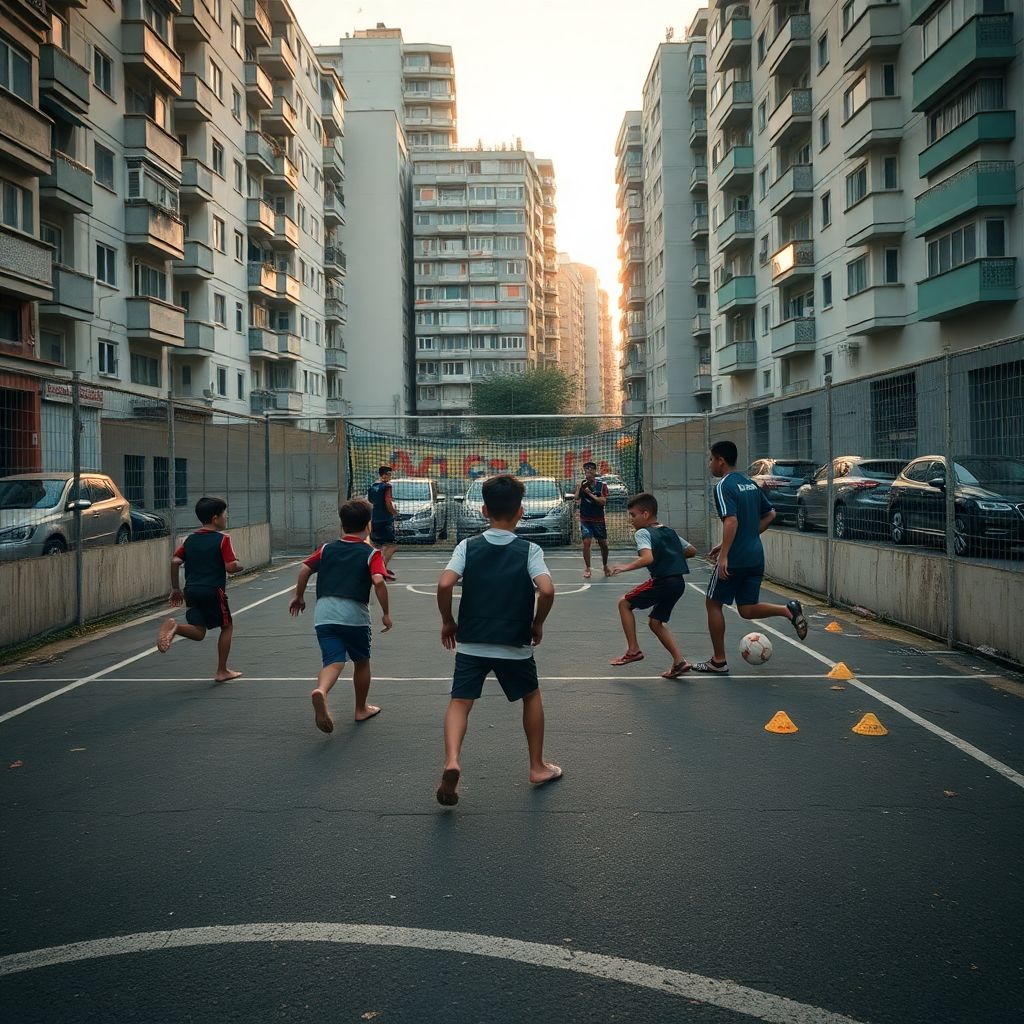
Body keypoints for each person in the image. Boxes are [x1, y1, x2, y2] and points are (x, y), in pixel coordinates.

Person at [435, 474, 561, 806]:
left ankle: (451, 760)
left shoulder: (467, 546)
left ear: (482, 510)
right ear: (520, 511)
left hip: (472, 640)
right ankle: (536, 766)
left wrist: (449, 621)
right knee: (531, 697)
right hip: (514, 643)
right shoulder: (529, 549)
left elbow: (445, 584)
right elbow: (546, 590)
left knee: (460, 701)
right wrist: (538, 623)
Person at [697, 440, 808, 674]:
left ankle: (718, 661)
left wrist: (725, 555)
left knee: (712, 603)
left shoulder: (723, 486)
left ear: (721, 460)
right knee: (747, 609)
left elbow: (731, 520)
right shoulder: (749, 483)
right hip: (755, 556)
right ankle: (789, 611)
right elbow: (770, 514)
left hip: (736, 558)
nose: (710, 464)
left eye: (710, 459)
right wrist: (742, 537)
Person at [289, 498, 392, 734]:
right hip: (354, 615)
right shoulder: (372, 553)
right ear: (369, 525)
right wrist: (386, 613)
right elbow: (378, 581)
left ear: (342, 524)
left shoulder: (326, 548)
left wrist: (299, 596)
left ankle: (322, 691)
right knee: (361, 661)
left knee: (333, 660)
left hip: (324, 613)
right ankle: (360, 708)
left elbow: (305, 568)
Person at [609, 492, 697, 679]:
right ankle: (679, 662)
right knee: (656, 623)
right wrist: (671, 557)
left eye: (633, 515)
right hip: (678, 584)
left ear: (646, 514)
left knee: (624, 603)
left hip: (663, 582)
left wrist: (625, 567)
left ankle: (633, 650)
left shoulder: (643, 532)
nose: (630, 520)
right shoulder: (670, 531)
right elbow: (691, 550)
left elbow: (647, 558)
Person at [157, 496, 244, 681]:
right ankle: (222, 670)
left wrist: (175, 589)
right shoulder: (223, 539)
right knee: (227, 626)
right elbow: (230, 567)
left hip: (192, 591)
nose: (226, 517)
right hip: (213, 590)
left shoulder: (190, 540)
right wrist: (239, 565)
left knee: (199, 631)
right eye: (225, 514)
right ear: (215, 518)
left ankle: (175, 627)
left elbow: (175, 562)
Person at [575, 461, 610, 579]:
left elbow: (602, 502)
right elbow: (576, 498)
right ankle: (588, 568)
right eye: (586, 471)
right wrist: (579, 488)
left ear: (595, 472)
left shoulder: (602, 485)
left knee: (603, 544)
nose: (587, 473)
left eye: (590, 471)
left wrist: (590, 494)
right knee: (586, 542)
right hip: (585, 518)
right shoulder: (582, 484)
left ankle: (605, 565)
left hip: (598, 519)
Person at [367, 465, 398, 580]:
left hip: (374, 519)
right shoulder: (386, 487)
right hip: (385, 520)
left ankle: (376, 567)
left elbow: (370, 501)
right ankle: (382, 569)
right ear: (384, 475)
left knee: (377, 546)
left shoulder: (372, 487)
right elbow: (388, 502)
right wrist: (394, 512)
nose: (390, 477)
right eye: (389, 474)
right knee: (391, 546)